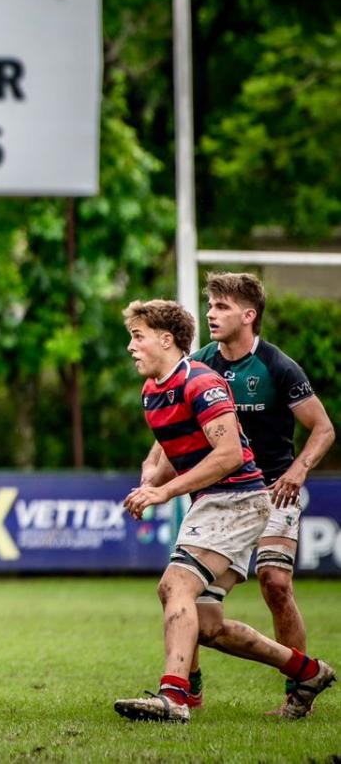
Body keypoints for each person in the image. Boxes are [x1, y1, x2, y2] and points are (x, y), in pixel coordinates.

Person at [115, 299, 333, 724]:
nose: (130, 346)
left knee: (174, 585)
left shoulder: (202, 382)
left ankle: (175, 698)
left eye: (137, 336)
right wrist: (149, 483)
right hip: (215, 502)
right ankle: (307, 672)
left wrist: (164, 493)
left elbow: (230, 454)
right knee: (208, 624)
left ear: (166, 339)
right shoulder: (152, 392)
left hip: (238, 499)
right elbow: (172, 455)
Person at [184, 273, 334, 714]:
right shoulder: (200, 364)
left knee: (275, 583)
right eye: (209, 305)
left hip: (273, 492)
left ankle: (299, 693)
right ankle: (188, 693)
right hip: (221, 497)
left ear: (249, 315)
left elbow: (323, 428)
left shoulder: (278, 367)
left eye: (222, 306)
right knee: (187, 596)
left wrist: (297, 471)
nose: (211, 313)